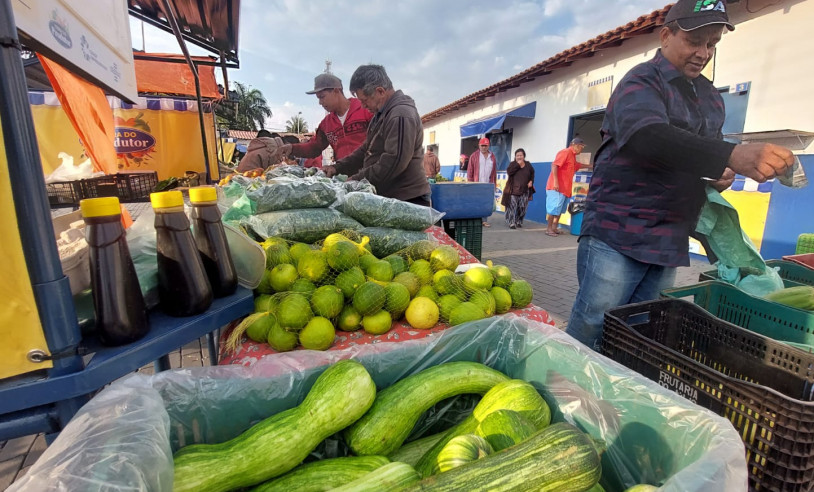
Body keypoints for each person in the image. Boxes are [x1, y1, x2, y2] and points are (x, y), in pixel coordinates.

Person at [565, 0, 794, 350]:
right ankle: (561, 390)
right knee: (594, 322)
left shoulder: (710, 98)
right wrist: (729, 154)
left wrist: (720, 173)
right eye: (695, 41)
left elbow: (702, 155)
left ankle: (609, 398)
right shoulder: (641, 81)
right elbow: (648, 136)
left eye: (712, 43)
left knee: (639, 331)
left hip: (669, 236)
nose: (703, 52)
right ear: (666, 35)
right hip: (619, 232)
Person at [324, 65, 431, 206]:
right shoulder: (380, 115)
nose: (362, 106)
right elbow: (365, 150)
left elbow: (393, 162)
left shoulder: (400, 115)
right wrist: (337, 167)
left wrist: (356, 180)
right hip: (392, 199)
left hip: (407, 201)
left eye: (364, 100)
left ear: (380, 91)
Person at [280, 73, 373, 166]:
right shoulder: (326, 124)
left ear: (336, 91)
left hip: (371, 175)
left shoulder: (366, 109)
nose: (320, 102)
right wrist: (292, 149)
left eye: (322, 97)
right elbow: (314, 147)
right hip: (345, 177)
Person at [545, 137, 586, 237]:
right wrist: (556, 182)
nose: (582, 149)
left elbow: (578, 166)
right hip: (556, 187)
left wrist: (593, 165)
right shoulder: (565, 152)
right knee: (553, 208)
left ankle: (554, 227)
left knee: (559, 210)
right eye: (581, 146)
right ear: (575, 145)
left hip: (565, 189)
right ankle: (549, 229)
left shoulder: (572, 156)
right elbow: (554, 165)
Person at [501, 148, 535, 229]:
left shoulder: (528, 165)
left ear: (524, 156)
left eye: (521, 155)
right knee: (512, 207)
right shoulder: (512, 164)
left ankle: (519, 221)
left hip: (525, 190)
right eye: (517, 155)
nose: (519, 157)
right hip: (513, 190)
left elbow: (532, 174)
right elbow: (509, 172)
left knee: (522, 207)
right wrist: (518, 165)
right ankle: (511, 222)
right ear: (515, 157)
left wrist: (531, 181)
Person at [467, 137, 497, 227]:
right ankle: (475, 220)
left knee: (485, 203)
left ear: (488, 146)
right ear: (479, 145)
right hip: (476, 183)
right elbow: (470, 171)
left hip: (487, 184)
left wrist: (494, 185)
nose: (484, 147)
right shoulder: (474, 156)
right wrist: (470, 183)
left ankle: (484, 220)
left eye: (485, 146)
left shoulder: (492, 157)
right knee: (475, 202)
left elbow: (494, 172)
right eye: (482, 145)